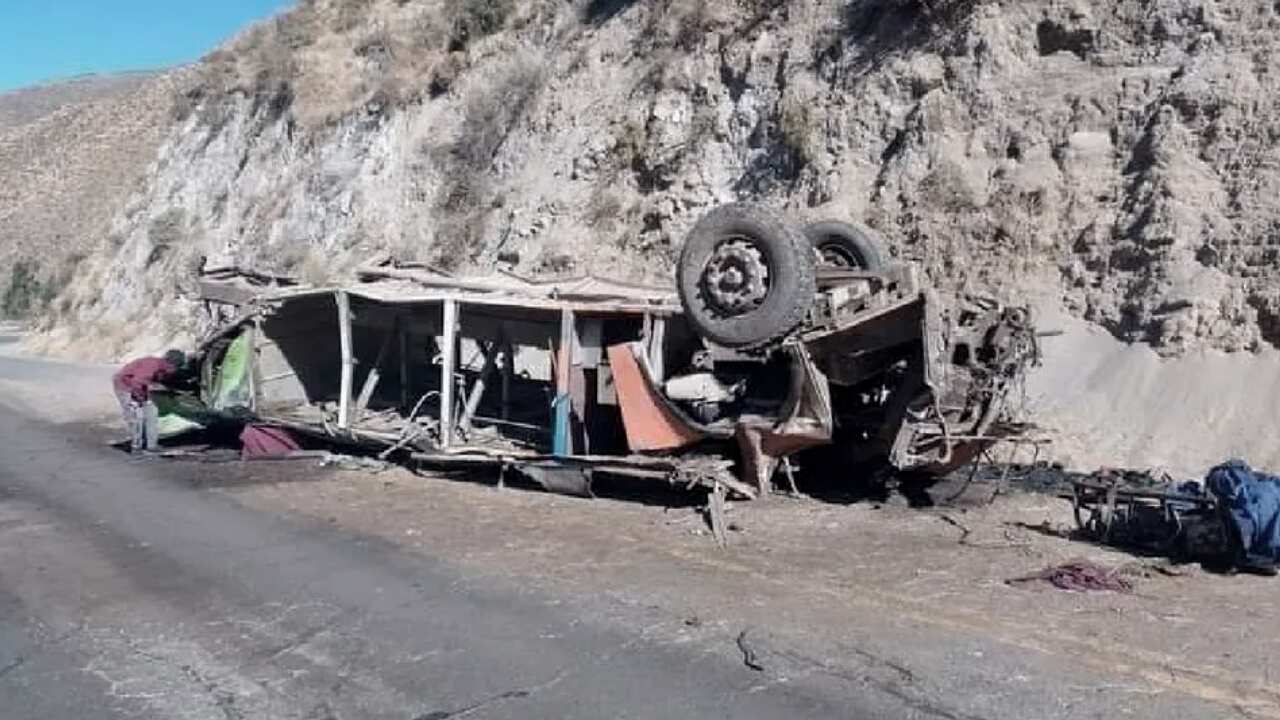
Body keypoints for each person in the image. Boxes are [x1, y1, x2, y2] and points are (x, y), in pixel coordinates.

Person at [112, 349, 186, 452]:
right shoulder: (151, 365)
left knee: (152, 413)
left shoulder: (162, 369)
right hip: (125, 386)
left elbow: (152, 382)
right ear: (169, 364)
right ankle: (136, 446)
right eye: (175, 367)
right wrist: (141, 398)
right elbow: (136, 382)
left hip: (141, 387)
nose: (175, 371)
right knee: (136, 417)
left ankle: (151, 446)